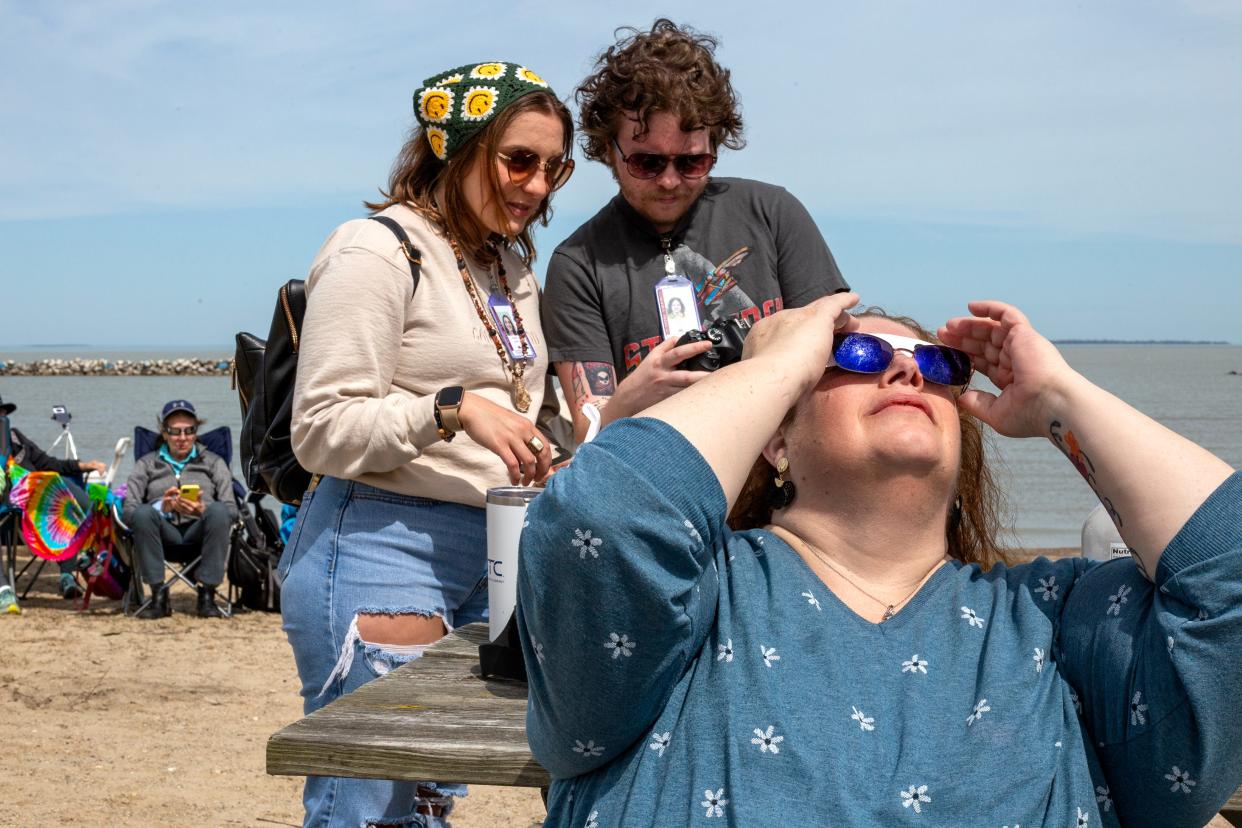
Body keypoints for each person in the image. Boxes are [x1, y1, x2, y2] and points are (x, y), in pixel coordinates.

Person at [518, 293, 1242, 826]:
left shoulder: (1056, 619)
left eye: (936, 365)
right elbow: (598, 516)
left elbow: (1228, 573)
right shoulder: (690, 600)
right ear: (775, 440)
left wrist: (1061, 398)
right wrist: (776, 367)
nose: (908, 376)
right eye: (856, 356)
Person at [279, 59, 572, 826]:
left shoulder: (508, 266)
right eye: (519, 160)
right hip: (382, 537)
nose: (537, 185)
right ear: (459, 145)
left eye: (554, 167)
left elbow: (507, 399)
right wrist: (449, 409)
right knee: (368, 809)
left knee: (431, 805)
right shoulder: (377, 250)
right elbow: (319, 430)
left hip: (495, 546)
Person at [542, 19, 850, 443]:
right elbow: (588, 430)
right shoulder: (578, 264)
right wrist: (630, 397)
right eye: (647, 163)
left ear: (715, 146)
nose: (669, 181)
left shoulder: (772, 211)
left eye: (691, 163)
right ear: (608, 151)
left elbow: (835, 362)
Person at [122, 400, 236, 620]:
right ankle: (158, 597)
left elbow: (232, 510)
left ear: (195, 432)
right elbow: (129, 510)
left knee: (220, 511)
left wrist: (203, 510)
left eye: (188, 431)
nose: (182, 438)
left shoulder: (213, 462)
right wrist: (160, 508)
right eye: (175, 432)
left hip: (201, 534)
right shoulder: (147, 464)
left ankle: (207, 596)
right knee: (144, 513)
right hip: (162, 536)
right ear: (164, 433)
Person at [0, 393, 107, 600]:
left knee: (60, 484)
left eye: (2, 413)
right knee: (59, 489)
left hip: (47, 507)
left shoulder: (16, 438)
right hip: (12, 513)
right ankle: (80, 558)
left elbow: (50, 464)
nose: (1, 418)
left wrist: (84, 465)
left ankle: (69, 572)